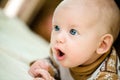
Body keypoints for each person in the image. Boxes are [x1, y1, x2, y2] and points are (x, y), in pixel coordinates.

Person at [28, 0, 120, 80]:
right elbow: (54, 66)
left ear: (102, 44)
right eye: (56, 27)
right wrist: (43, 69)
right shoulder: (63, 52)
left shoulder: (107, 75)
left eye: (73, 32)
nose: (59, 38)